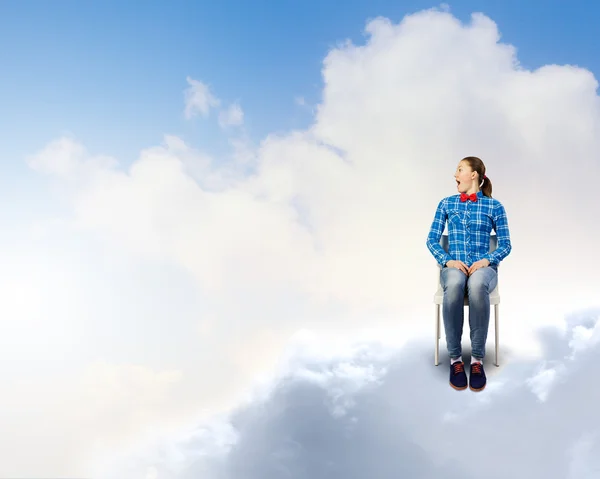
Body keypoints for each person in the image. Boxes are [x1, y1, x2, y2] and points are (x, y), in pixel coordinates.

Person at [426, 156, 512, 392]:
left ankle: (476, 360)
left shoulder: (495, 206)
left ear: (473, 175)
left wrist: (488, 259)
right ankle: (455, 359)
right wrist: (447, 260)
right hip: (454, 266)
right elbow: (432, 240)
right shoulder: (446, 203)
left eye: (460, 170)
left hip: (483, 268)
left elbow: (505, 244)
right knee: (453, 285)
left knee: (476, 286)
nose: (455, 175)